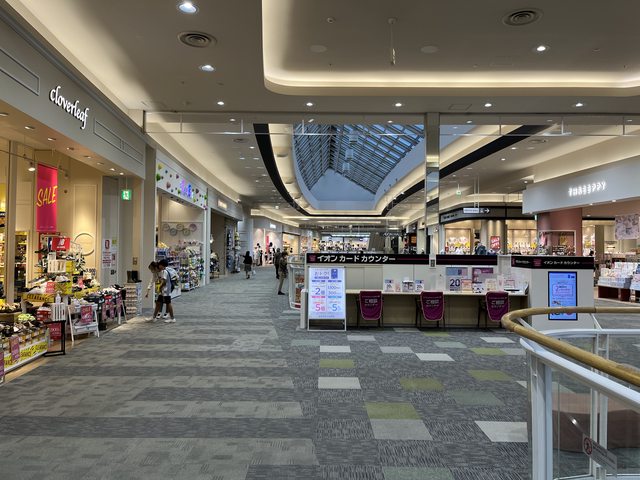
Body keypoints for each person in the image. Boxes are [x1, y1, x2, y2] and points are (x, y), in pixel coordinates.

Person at [157, 258, 176, 323]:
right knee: (159, 302)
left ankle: (172, 318)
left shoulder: (164, 271)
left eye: (164, 266)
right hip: (166, 288)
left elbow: (164, 282)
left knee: (168, 302)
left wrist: (160, 287)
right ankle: (156, 315)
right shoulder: (162, 271)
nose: (164, 268)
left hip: (166, 289)